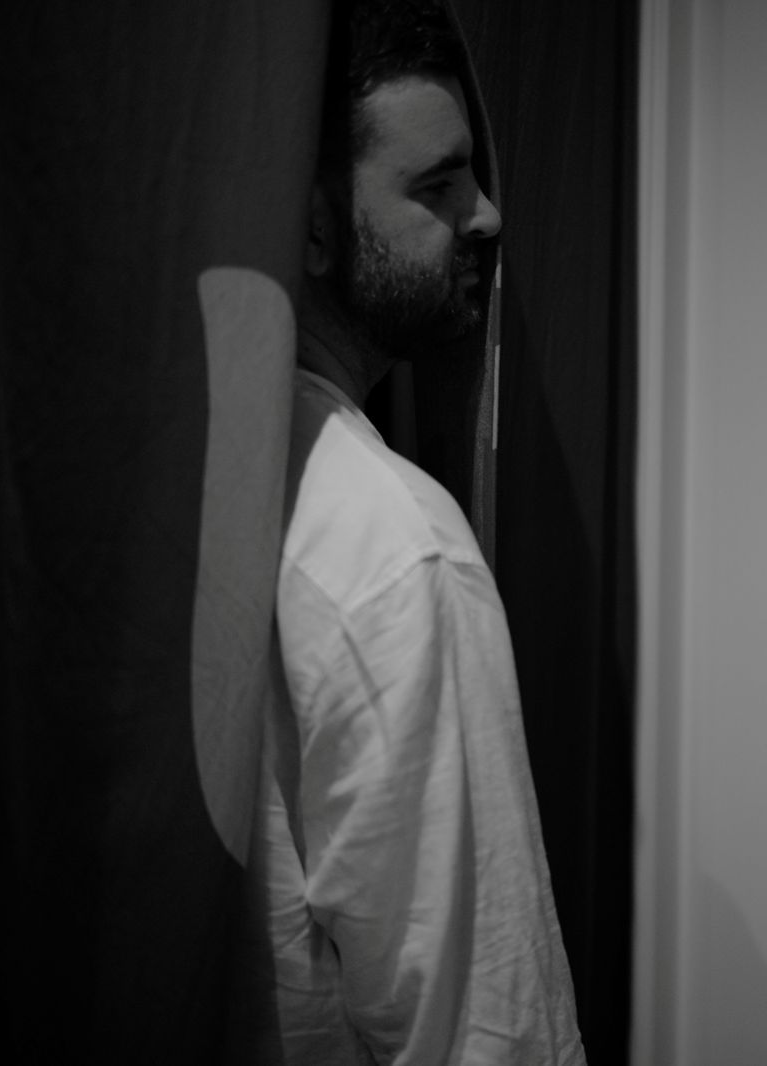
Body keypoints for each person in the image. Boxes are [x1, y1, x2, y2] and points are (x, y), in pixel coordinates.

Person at [242, 2, 586, 1062]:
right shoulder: (395, 543)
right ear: (314, 227)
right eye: (435, 187)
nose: (486, 215)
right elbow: (486, 1028)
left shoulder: (205, 471)